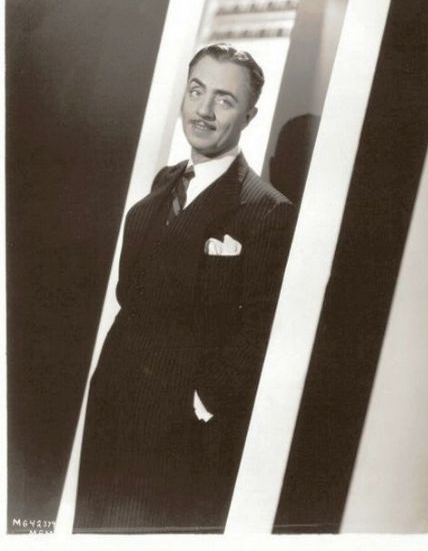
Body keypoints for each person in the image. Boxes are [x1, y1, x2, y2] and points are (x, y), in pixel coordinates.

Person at [73, 43, 296, 533]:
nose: (203, 110)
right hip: (113, 399)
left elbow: (260, 328)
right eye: (197, 91)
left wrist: (205, 401)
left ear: (249, 115)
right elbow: (132, 292)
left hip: (178, 425)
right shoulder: (165, 182)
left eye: (224, 99)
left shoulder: (268, 210)